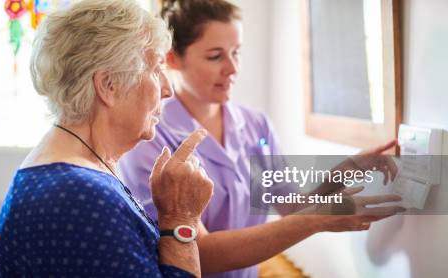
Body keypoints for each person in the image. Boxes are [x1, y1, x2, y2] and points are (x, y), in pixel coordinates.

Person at [119, 0, 404, 277]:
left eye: (236, 52)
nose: (232, 68)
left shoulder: (256, 125)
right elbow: (197, 252)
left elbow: (290, 206)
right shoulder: (150, 138)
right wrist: (318, 219)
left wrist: (345, 172)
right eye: (215, 56)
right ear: (172, 59)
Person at [0, 0, 215, 276]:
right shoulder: (80, 195)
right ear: (109, 85)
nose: (168, 89)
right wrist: (181, 217)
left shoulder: (77, 174)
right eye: (157, 69)